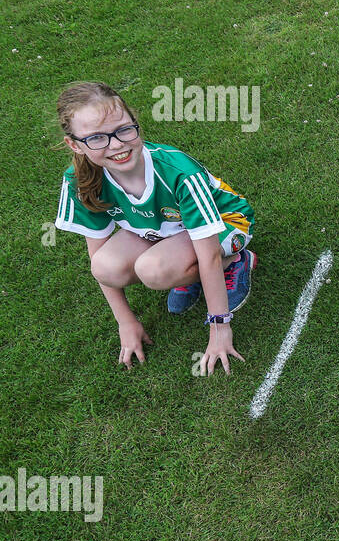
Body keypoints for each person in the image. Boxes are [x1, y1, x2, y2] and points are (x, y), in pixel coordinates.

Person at [53, 82, 256, 374]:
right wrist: (126, 322)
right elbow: (97, 260)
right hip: (165, 229)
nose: (116, 145)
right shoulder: (78, 180)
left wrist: (219, 329)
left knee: (154, 271)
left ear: (135, 122)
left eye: (124, 129)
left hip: (227, 222)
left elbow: (207, 253)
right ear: (74, 144)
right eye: (97, 138)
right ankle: (182, 269)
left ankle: (236, 261)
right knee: (106, 267)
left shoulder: (177, 172)